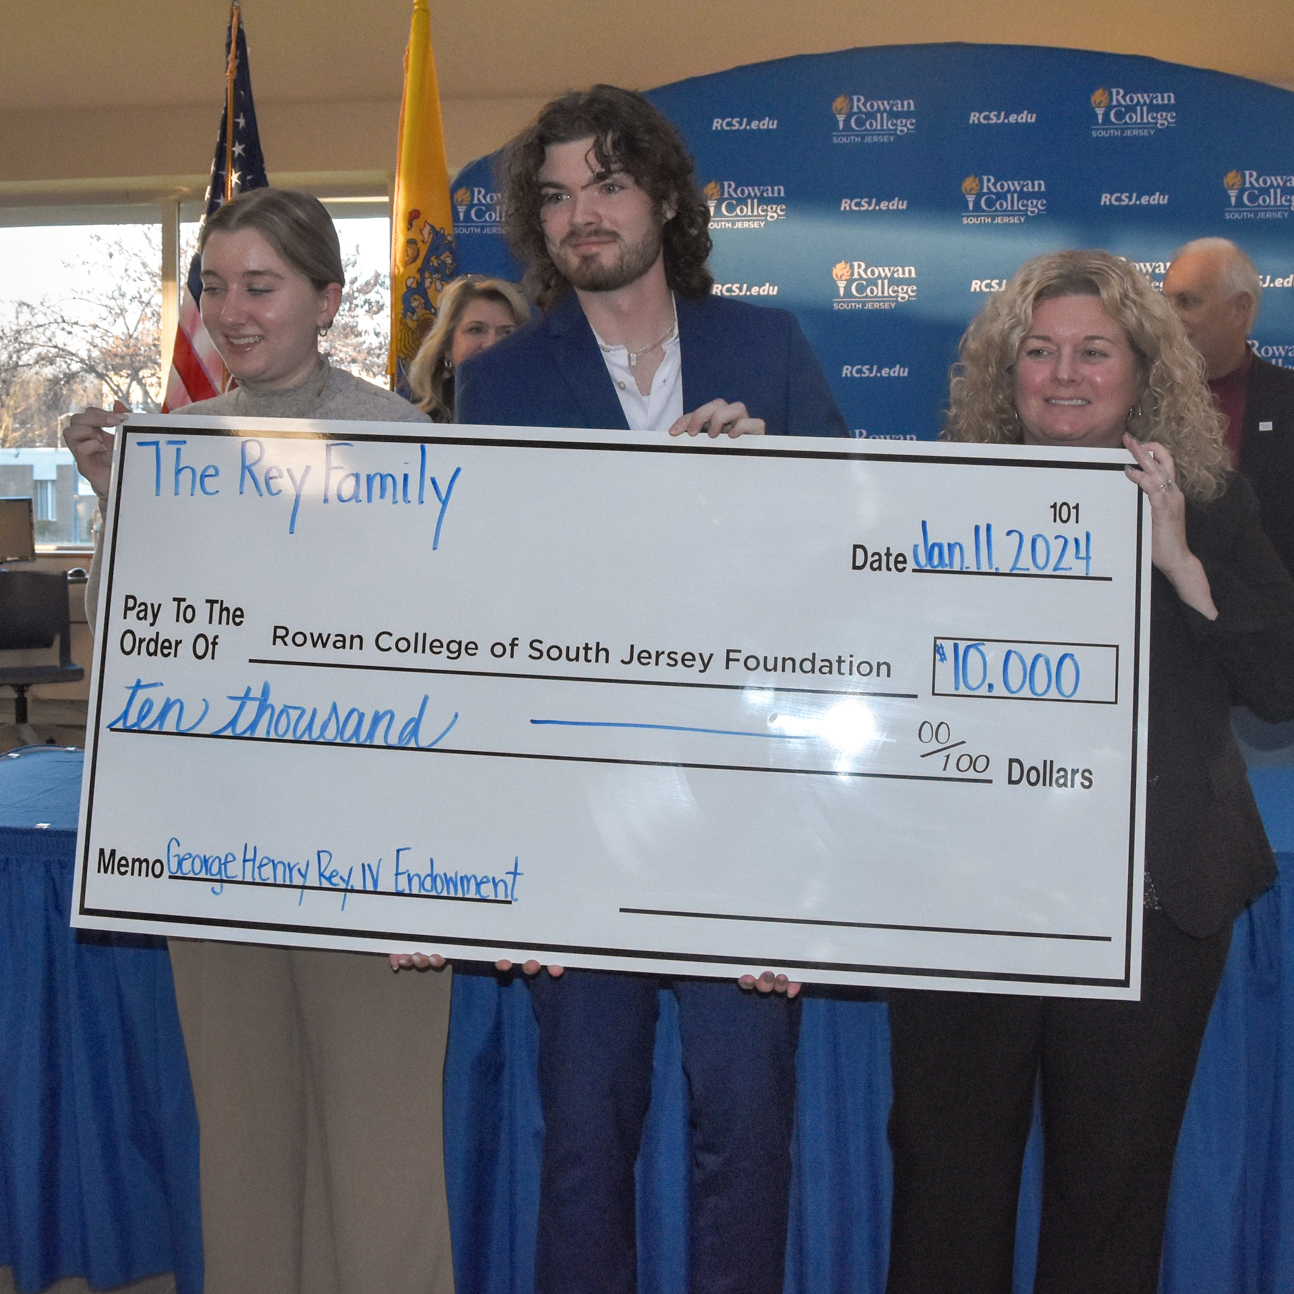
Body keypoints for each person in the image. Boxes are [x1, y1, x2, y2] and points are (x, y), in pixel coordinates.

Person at [428, 83, 847, 1294]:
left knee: (747, 1129)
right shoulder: (503, 385)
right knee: (584, 1143)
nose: (582, 215)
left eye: (607, 184)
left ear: (663, 195)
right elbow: (485, 624)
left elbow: (848, 572)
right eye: (555, 197)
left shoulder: (767, 349)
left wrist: (778, 487)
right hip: (581, 820)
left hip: (745, 811)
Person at [64, 188, 455, 1294]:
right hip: (216, 853)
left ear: (327, 299)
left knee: (382, 1161)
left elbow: (449, 665)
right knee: (243, 1148)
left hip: (374, 860)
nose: (232, 311)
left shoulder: (408, 443)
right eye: (214, 286)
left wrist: (440, 865)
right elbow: (152, 659)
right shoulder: (168, 450)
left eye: (261, 286)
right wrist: (118, 503)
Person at [884, 249, 1294, 1294]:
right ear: (1003, 371)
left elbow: (1279, 683)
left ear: (1142, 369)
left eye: (1093, 350)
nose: (1064, 373)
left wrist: (1178, 559)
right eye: (1038, 350)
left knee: (1109, 1204)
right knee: (945, 1193)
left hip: (1147, 905)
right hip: (967, 908)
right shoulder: (932, 507)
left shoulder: (1210, 501)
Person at [1164, 237, 1294, 575]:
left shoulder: (1287, 400)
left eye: (1187, 302)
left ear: (1239, 309)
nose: (1169, 317)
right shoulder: (1136, 399)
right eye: (1165, 302)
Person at [406, 274, 530, 421]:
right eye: (475, 330)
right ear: (447, 346)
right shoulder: (414, 421)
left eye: (507, 333)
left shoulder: (545, 414)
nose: (491, 344)